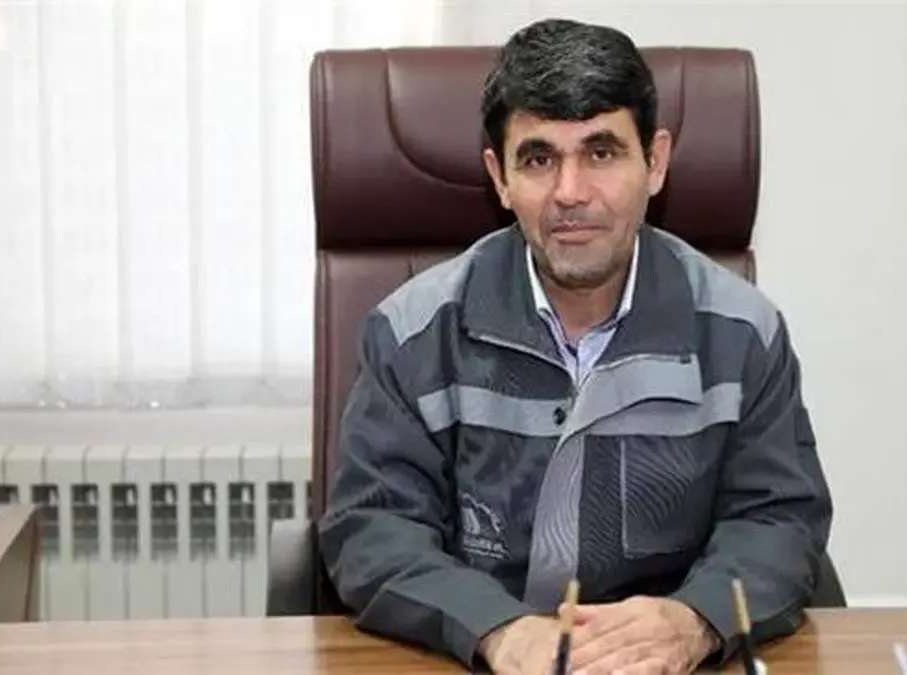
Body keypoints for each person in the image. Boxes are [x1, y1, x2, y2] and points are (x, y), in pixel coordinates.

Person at [318, 17, 833, 675]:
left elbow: (779, 520)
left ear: (656, 162)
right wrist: (499, 630)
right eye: (538, 159)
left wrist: (694, 620)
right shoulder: (412, 333)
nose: (570, 193)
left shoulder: (743, 332)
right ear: (499, 177)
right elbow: (374, 527)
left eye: (602, 152)